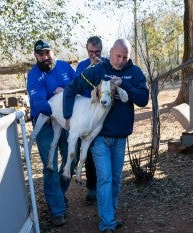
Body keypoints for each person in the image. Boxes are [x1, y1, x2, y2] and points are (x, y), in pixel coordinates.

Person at [63, 38, 149, 233]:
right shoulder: (98, 71)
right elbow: (72, 88)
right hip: (99, 135)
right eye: (118, 56)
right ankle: (107, 223)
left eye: (125, 57)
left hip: (120, 137)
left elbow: (143, 99)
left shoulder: (133, 73)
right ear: (110, 52)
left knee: (116, 179)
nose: (121, 60)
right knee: (105, 178)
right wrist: (67, 115)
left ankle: (110, 214)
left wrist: (124, 85)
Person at [26, 39, 76, 227]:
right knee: (51, 167)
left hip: (67, 122)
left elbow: (79, 86)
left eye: (48, 53)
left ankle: (59, 195)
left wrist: (67, 92)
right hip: (46, 126)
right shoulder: (34, 75)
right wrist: (56, 97)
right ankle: (57, 209)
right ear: (36, 56)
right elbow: (39, 103)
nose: (45, 57)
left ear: (53, 52)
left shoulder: (64, 67)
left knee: (73, 159)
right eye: (41, 54)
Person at [75, 36, 104, 203]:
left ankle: (104, 187)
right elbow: (78, 88)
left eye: (97, 51)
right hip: (85, 117)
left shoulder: (106, 64)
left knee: (101, 152)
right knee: (88, 153)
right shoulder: (81, 66)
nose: (94, 55)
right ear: (87, 50)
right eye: (91, 51)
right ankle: (92, 187)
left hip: (102, 116)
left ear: (102, 49)